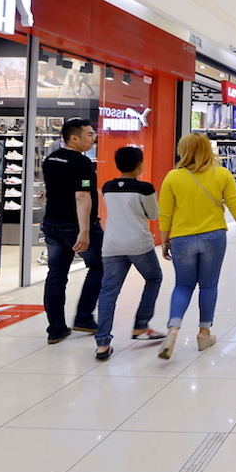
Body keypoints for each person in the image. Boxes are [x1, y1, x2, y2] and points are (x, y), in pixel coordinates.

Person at [157, 133, 236, 360]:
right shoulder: (221, 174)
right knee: (208, 286)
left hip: (182, 238)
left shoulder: (173, 177)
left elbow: (165, 212)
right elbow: (234, 205)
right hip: (213, 237)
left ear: (183, 150)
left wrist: (164, 239)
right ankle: (204, 333)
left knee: (183, 285)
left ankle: (173, 329)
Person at [93, 147, 166, 361]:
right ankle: (141, 325)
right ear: (139, 165)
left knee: (108, 292)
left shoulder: (108, 187)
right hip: (138, 244)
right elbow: (153, 214)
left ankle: (102, 343)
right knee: (153, 278)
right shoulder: (145, 188)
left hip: (112, 244)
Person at [41, 118, 103, 344]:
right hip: (74, 226)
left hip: (52, 223)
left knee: (56, 274)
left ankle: (55, 328)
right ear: (73, 137)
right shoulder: (81, 162)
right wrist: (84, 231)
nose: (93, 138)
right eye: (89, 134)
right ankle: (84, 317)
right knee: (100, 265)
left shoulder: (50, 159)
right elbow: (82, 196)